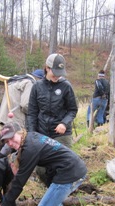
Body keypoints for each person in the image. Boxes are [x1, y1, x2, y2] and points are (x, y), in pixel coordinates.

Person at [0, 122, 87, 206]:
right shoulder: (30, 137)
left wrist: (4, 205)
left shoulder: (30, 148)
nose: (10, 143)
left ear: (20, 132)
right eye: (6, 141)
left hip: (70, 173)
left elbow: (19, 181)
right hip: (73, 168)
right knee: (53, 200)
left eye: (12, 138)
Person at [27, 54, 78, 184]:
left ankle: (63, 189)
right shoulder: (37, 87)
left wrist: (64, 123)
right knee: (41, 169)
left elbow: (72, 109)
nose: (57, 76)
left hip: (61, 132)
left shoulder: (66, 86)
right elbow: (32, 113)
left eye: (60, 74)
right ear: (47, 68)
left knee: (64, 164)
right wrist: (32, 134)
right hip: (42, 132)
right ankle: (49, 188)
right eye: (55, 73)